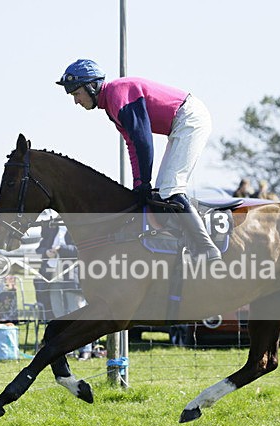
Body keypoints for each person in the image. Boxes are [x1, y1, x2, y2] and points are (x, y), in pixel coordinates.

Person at [56, 59, 221, 262]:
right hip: (180, 123)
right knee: (162, 193)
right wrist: (138, 185)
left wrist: (144, 182)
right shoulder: (111, 105)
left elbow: (144, 142)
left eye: (76, 93)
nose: (76, 101)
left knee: (171, 190)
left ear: (92, 86)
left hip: (189, 118)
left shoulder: (118, 94)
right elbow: (133, 146)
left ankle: (207, 249)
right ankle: (186, 243)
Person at [34, 220, 92, 360]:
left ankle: (85, 350)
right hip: (52, 278)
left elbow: (82, 249)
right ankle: (65, 348)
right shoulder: (52, 228)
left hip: (72, 277)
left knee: (77, 314)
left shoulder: (78, 227)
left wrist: (61, 249)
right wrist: (47, 252)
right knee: (58, 315)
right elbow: (40, 248)